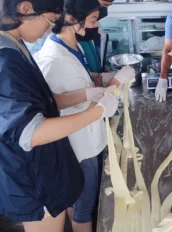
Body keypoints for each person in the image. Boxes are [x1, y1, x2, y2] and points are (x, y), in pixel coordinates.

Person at [0, 0, 119, 232]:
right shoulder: (6, 59)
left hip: (47, 168)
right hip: (33, 176)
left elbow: (43, 101)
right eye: (50, 21)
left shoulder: (17, 45)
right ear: (26, 8)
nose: (49, 29)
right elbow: (30, 132)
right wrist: (98, 111)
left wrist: (85, 94)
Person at [34, 0, 134, 231]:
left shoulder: (71, 45)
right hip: (80, 143)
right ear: (71, 19)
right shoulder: (53, 59)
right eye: (92, 20)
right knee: (84, 208)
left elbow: (78, 80)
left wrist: (102, 80)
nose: (95, 26)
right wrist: (116, 83)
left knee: (79, 199)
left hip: (90, 136)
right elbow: (51, 103)